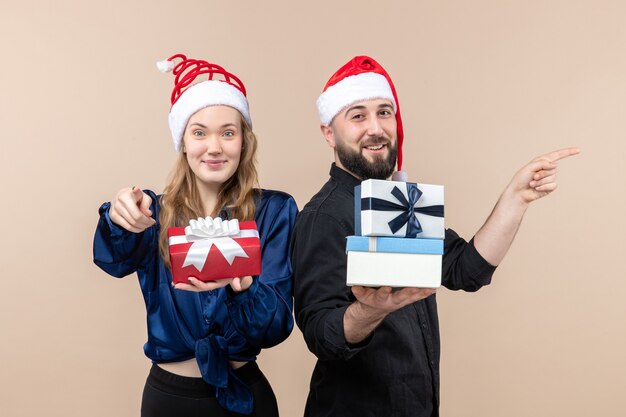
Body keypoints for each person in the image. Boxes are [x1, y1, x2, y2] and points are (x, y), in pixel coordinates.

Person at [291, 55, 579, 417]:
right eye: (358, 116)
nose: (376, 128)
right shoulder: (323, 217)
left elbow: (466, 269)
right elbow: (321, 334)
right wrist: (370, 310)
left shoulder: (400, 202)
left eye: (384, 112)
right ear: (329, 133)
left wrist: (515, 199)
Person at [93, 54, 297, 417]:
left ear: (243, 143)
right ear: (183, 142)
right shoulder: (151, 212)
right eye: (199, 132)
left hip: (245, 395)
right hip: (169, 400)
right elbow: (114, 260)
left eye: (228, 133)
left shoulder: (274, 212)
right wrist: (116, 216)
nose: (214, 147)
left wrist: (245, 286)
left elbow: (275, 327)